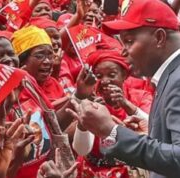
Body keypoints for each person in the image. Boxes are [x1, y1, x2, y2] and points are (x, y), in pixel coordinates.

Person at [66, 0, 180, 177]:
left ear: (159, 38)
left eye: (128, 41)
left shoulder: (177, 80)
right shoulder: (170, 76)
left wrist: (112, 131)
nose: (124, 52)